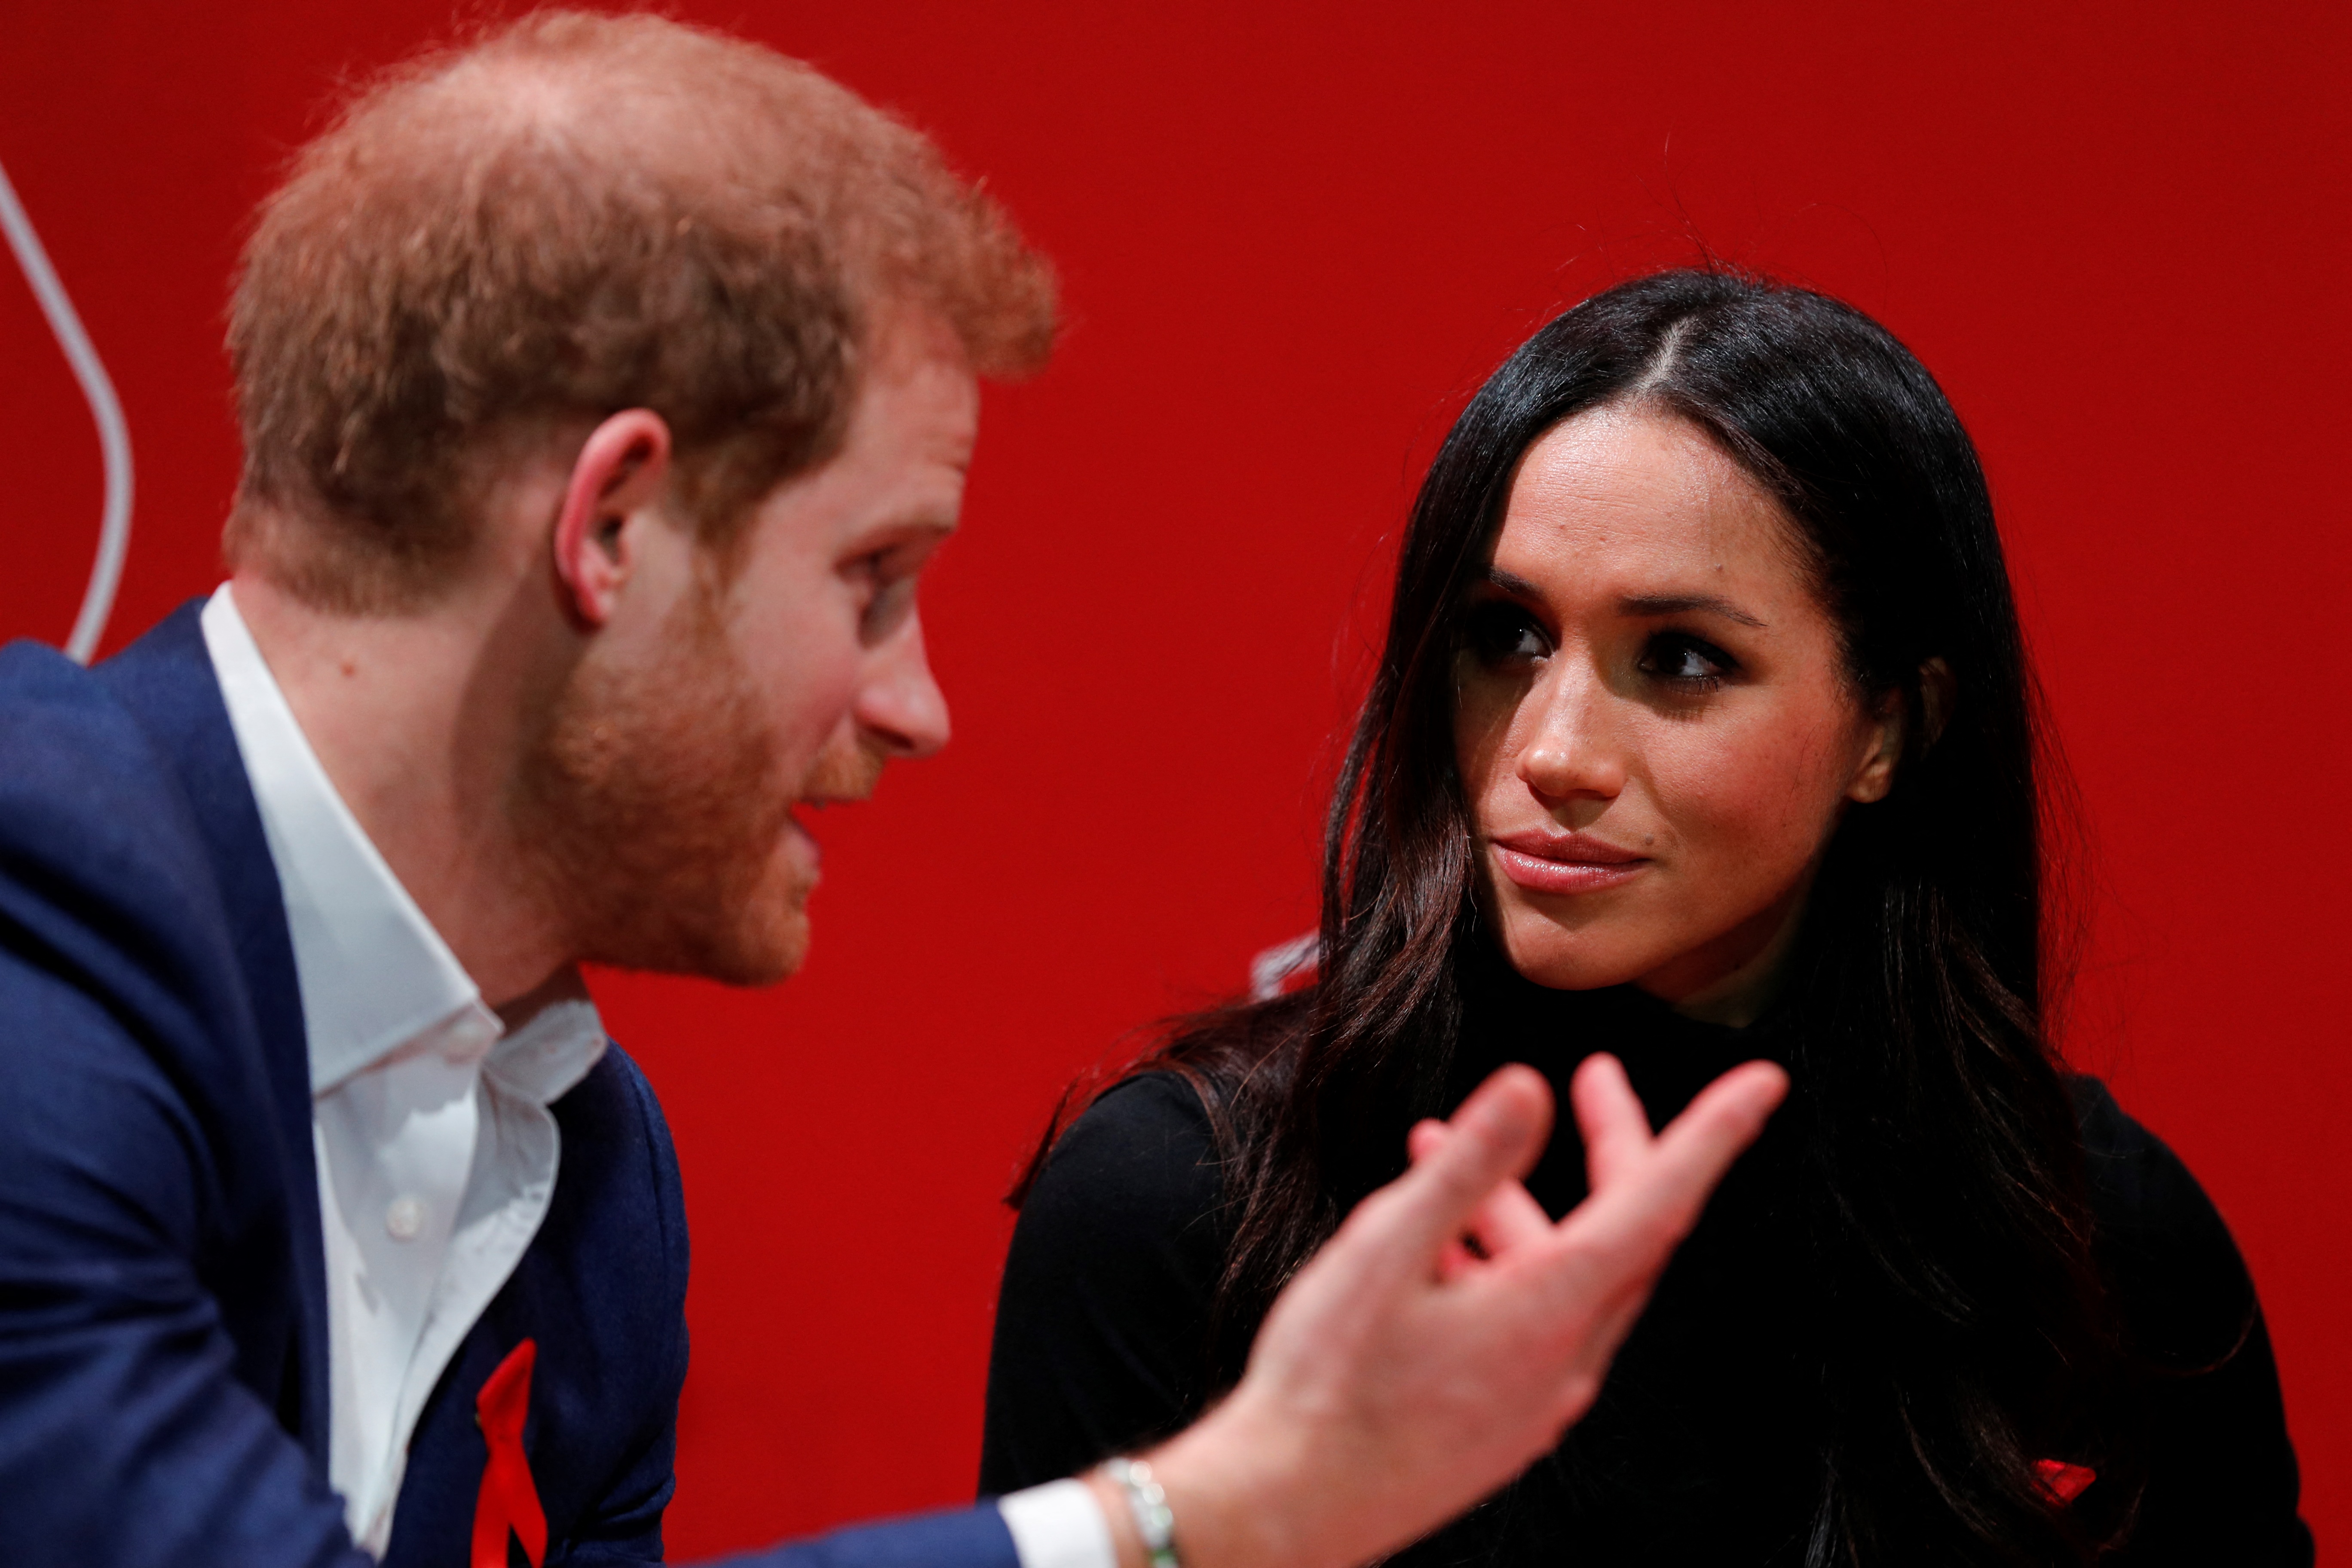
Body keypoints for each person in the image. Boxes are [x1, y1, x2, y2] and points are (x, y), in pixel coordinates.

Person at [0, 15, 1795, 1568]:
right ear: (610, 528)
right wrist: (1207, 1515)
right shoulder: (35, 933)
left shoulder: (582, 1170)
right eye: (874, 576)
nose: (917, 702)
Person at [980, 270, 2314, 1565]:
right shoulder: (1189, 1203)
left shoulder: (2094, 1239)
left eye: (1681, 658)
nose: (1555, 750)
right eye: (1507, 634)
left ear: (1890, 728)